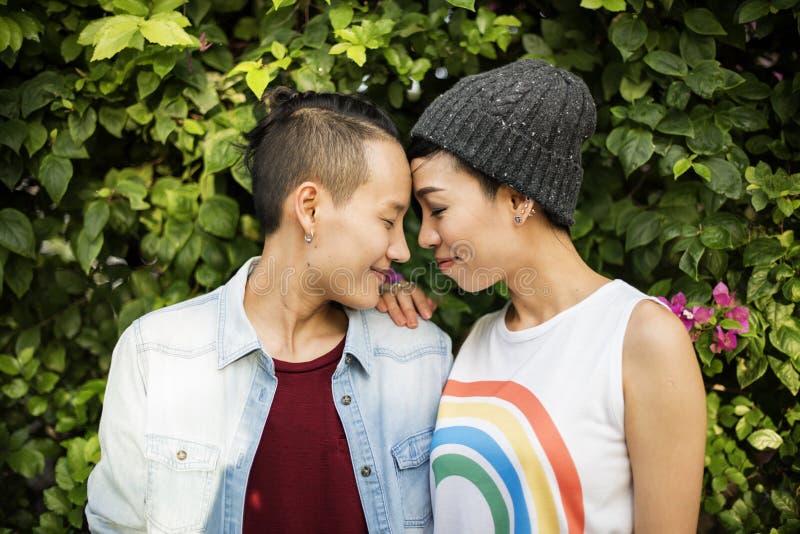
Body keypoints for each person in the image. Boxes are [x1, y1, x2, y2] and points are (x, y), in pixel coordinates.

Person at [86, 88, 453, 533]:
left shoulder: (423, 356)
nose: (400, 248)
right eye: (387, 220)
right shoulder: (155, 355)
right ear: (310, 208)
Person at [378, 60, 706, 533]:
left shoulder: (640, 337)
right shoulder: (480, 339)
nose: (425, 237)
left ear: (517, 198)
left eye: (439, 209)